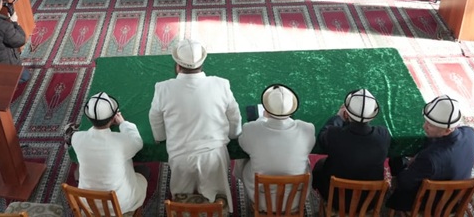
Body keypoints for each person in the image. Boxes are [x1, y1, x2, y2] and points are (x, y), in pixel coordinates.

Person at [149, 39, 241, 211]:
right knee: (217, 198)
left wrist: (160, 137)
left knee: (182, 198)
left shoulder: (162, 88)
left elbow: (155, 118)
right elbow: (234, 116)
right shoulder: (221, 84)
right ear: (202, 64)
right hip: (214, 157)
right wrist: (234, 135)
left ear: (178, 66)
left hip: (180, 157)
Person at [386, 95, 474, 213]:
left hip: (435, 204)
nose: (424, 126)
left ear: (447, 130)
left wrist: (411, 164)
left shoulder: (430, 159)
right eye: (426, 121)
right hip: (458, 198)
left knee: (396, 159)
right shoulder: (470, 133)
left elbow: (404, 182)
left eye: (430, 125)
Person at [237, 85, 315, 212]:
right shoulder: (307, 129)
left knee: (242, 158)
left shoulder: (251, 129)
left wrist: (263, 119)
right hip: (295, 200)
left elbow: (242, 143)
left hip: (261, 200)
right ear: (292, 109)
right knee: (305, 161)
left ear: (266, 108)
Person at [312, 89, 390, 210]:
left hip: (335, 199)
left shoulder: (334, 135)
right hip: (369, 201)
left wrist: (338, 117)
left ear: (347, 113)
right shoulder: (383, 135)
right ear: (372, 115)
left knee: (319, 165)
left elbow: (323, 135)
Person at [72, 92, 146, 214]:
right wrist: (123, 123)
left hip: (89, 203)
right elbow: (137, 142)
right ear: (113, 118)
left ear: (88, 119)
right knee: (143, 173)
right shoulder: (121, 142)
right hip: (119, 204)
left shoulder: (77, 138)